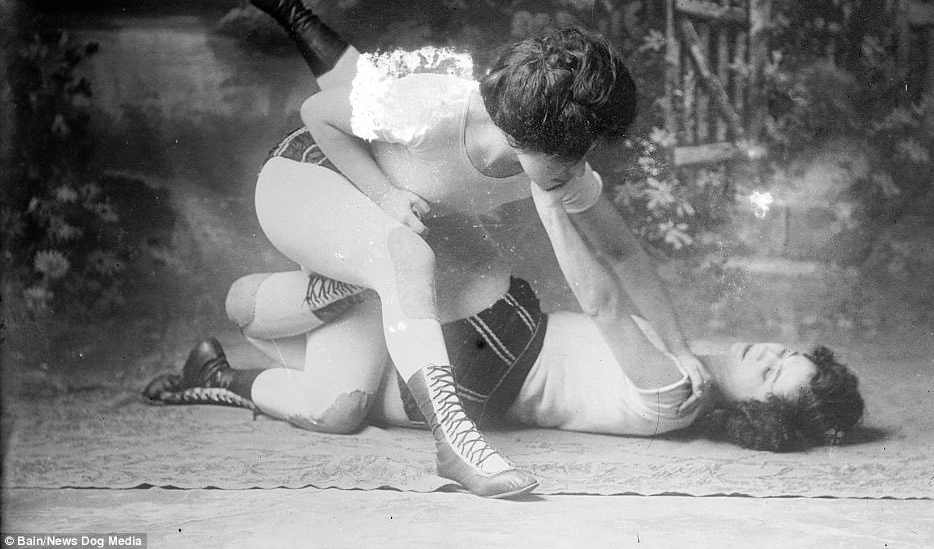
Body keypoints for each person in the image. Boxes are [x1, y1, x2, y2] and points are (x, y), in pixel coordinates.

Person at [145, 0, 754, 497]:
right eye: (566, 157)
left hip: (380, 231)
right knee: (409, 251)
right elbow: (318, 115)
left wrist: (680, 349)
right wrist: (383, 195)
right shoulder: (433, 107)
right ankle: (456, 444)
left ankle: (263, 318)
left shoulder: (560, 159)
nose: (577, 169)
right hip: (308, 180)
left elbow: (621, 252)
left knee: (339, 409)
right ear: (518, 134)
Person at [145, 175, 864, 456]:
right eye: (785, 349)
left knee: (326, 393)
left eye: (773, 373)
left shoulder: (679, 395)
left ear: (758, 414)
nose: (767, 351)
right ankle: (339, 293)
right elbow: (628, 260)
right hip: (494, 334)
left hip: (483, 376)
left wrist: (552, 205)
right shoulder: (686, 353)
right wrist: (578, 194)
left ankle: (222, 373)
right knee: (328, 382)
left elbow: (605, 299)